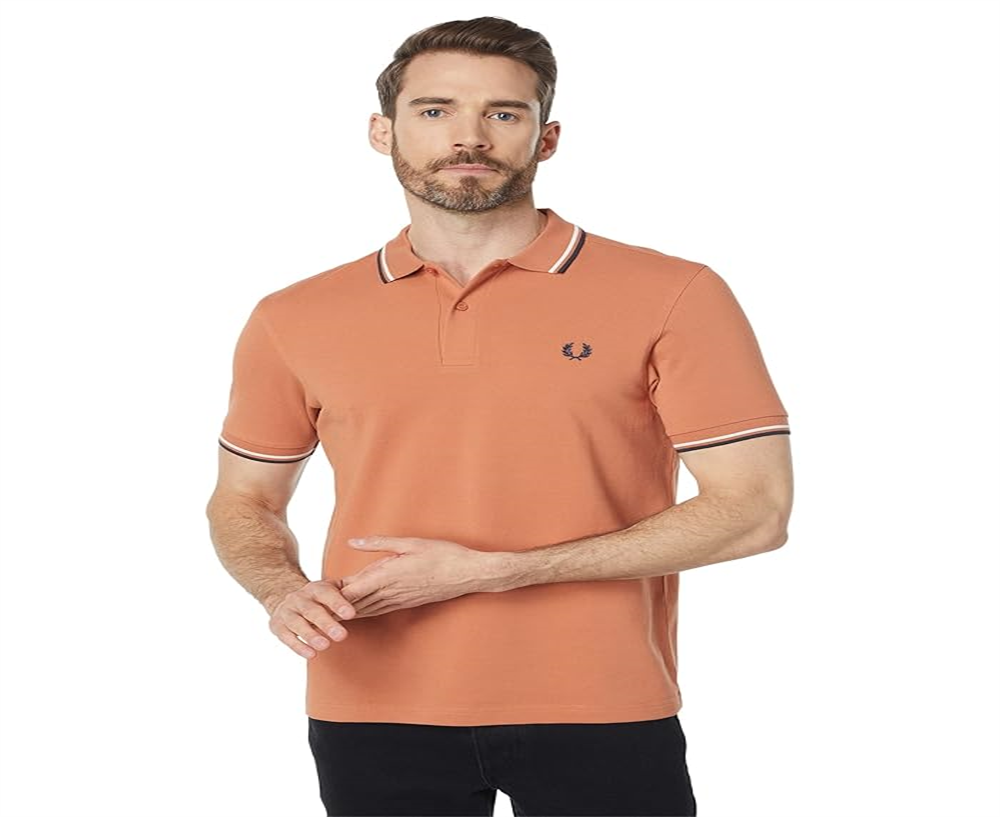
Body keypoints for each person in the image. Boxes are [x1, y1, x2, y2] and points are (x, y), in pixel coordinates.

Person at [206, 15, 793, 817]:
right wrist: (280, 588)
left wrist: (497, 570)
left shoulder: (675, 294)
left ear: (546, 138)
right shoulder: (293, 316)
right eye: (435, 109)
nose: (469, 136)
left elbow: (755, 510)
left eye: (504, 113)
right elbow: (243, 499)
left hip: (601, 700)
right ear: (383, 131)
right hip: (371, 705)